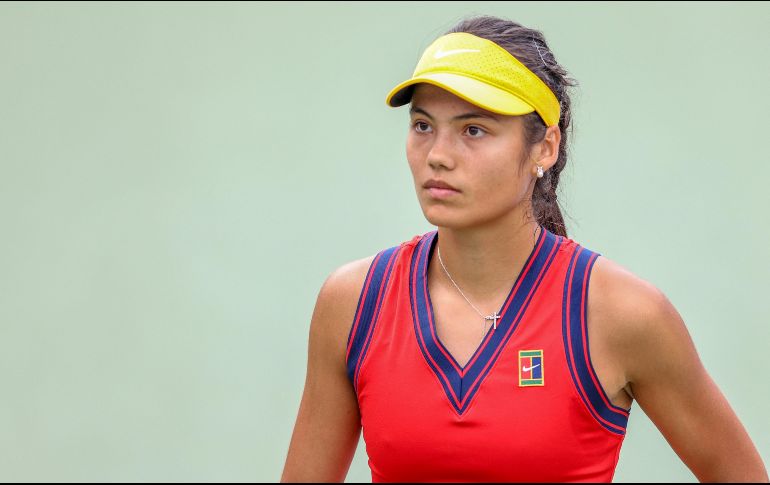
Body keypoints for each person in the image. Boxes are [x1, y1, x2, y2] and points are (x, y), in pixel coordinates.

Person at [280, 15, 768, 483]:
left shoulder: (622, 314)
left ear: (545, 148)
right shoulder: (352, 303)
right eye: (423, 125)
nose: (437, 156)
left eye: (474, 130)